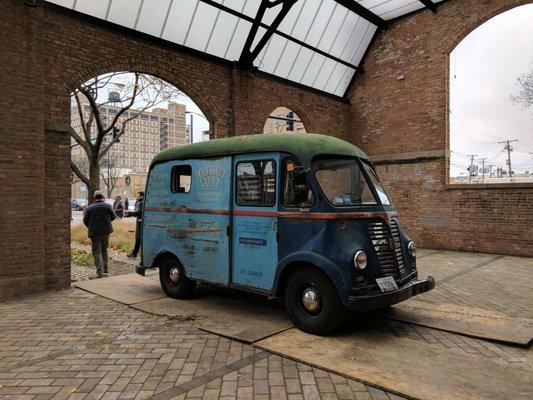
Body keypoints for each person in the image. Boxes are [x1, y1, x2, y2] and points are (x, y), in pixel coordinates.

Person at [83, 190, 115, 278]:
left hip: (94, 233)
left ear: (95, 198)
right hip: (106, 232)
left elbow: (85, 221)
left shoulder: (90, 208)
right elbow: (113, 217)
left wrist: (91, 226)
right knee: (104, 250)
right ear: (103, 197)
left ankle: (99, 273)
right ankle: (106, 270)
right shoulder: (108, 206)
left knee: (96, 252)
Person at [127, 191, 144, 259]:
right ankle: (134, 253)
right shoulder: (142, 202)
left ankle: (134, 254)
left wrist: (129, 213)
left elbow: (138, 212)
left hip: (140, 223)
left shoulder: (141, 203)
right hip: (141, 223)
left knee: (138, 238)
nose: (136, 197)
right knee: (139, 239)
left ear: (142, 196)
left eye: (138, 196)